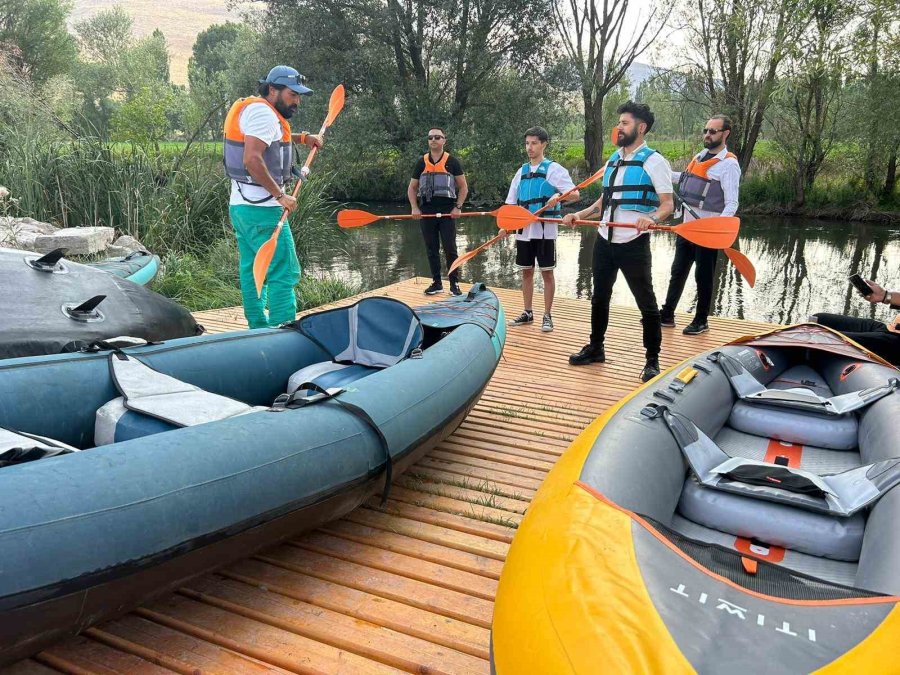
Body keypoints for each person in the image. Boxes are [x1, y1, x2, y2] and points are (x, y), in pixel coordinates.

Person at [563, 101, 674, 382]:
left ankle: (652, 360)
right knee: (599, 297)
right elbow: (605, 200)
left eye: (625, 123)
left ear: (641, 127)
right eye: (619, 123)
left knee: (646, 302)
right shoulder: (613, 159)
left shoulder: (654, 161)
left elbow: (667, 205)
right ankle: (596, 347)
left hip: (633, 242)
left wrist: (652, 218)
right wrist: (580, 213)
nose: (619, 128)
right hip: (604, 239)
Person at [223, 65, 323, 329]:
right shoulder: (264, 115)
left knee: (251, 269)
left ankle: (257, 327)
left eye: (299, 95)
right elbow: (252, 159)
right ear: (272, 90)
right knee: (284, 271)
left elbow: (270, 142)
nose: (297, 101)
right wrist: (280, 195)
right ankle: (282, 332)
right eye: (293, 94)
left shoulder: (254, 109)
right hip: (264, 210)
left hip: (241, 207)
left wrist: (303, 138)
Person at [661, 115, 741, 335]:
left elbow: (732, 203)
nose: (707, 134)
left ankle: (701, 320)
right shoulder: (699, 157)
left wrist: (718, 230)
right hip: (687, 229)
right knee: (677, 272)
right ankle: (667, 314)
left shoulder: (729, 165)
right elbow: (683, 179)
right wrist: (660, 172)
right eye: (706, 130)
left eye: (713, 131)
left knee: (703, 277)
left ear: (725, 134)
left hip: (707, 232)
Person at [504, 127, 578, 332]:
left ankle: (547, 315)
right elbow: (510, 204)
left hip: (545, 230)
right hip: (524, 231)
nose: (530, 147)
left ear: (544, 144)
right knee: (526, 272)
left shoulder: (554, 169)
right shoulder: (521, 172)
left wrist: (560, 197)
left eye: (534, 143)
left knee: (547, 274)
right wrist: (506, 227)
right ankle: (527, 312)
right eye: (527, 143)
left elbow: (575, 194)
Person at [408, 128, 469, 296]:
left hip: (447, 212)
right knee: (431, 248)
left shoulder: (452, 162)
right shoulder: (422, 162)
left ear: (444, 141)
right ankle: (436, 283)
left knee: (450, 248)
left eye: (437, 137)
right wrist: (414, 207)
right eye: (430, 137)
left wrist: (458, 207)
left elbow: (463, 187)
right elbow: (412, 188)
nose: (433, 140)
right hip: (427, 212)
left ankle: (454, 283)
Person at [811, 279, 900, 366]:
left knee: (824, 337)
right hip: (891, 329)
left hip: (896, 344)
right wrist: (884, 296)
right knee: (819, 319)